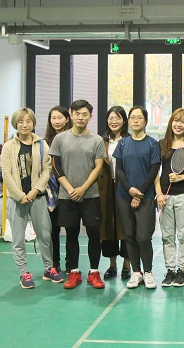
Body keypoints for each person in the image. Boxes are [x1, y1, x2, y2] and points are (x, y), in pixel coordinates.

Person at [49, 99, 107, 290]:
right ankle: (74, 272)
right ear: (71, 115)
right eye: (77, 114)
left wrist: (83, 188)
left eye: (85, 114)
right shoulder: (60, 139)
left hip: (90, 196)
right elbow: (56, 166)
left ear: (90, 117)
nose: (81, 117)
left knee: (94, 234)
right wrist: (70, 189)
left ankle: (94, 272)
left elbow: (98, 167)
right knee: (71, 234)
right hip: (67, 196)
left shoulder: (96, 140)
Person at [2, 108, 61, 288]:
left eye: (28, 121)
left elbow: (47, 170)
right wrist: (20, 195)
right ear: (16, 124)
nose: (25, 125)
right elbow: (7, 173)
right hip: (17, 200)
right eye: (21, 122)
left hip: (38, 197)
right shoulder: (8, 147)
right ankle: (23, 273)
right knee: (18, 238)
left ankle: (49, 268)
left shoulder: (42, 144)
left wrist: (35, 190)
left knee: (45, 235)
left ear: (33, 123)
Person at [113, 106, 161, 289]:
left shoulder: (152, 144)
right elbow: (119, 170)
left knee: (143, 237)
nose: (135, 120)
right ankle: (136, 272)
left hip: (146, 197)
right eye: (132, 117)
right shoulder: (123, 144)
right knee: (130, 236)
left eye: (139, 117)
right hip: (123, 196)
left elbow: (153, 171)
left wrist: (138, 193)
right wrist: (130, 189)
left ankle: (148, 272)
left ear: (145, 121)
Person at [154, 109, 184, 288]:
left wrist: (181, 177)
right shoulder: (161, 144)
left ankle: (181, 270)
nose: (178, 125)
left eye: (183, 122)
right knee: (167, 236)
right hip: (165, 196)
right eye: (176, 121)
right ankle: (170, 270)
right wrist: (159, 194)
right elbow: (155, 172)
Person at [98, 105, 131, 280]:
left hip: (124, 187)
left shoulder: (129, 140)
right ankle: (112, 265)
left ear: (124, 121)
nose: (114, 121)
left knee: (125, 225)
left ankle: (127, 264)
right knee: (108, 226)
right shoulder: (101, 141)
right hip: (106, 189)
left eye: (117, 118)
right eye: (111, 118)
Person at [44, 105, 70, 273]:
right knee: (53, 229)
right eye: (53, 118)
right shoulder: (45, 142)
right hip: (50, 192)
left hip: (68, 188)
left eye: (60, 117)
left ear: (67, 119)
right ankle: (54, 263)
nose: (56, 121)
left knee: (70, 228)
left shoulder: (71, 139)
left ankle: (70, 264)